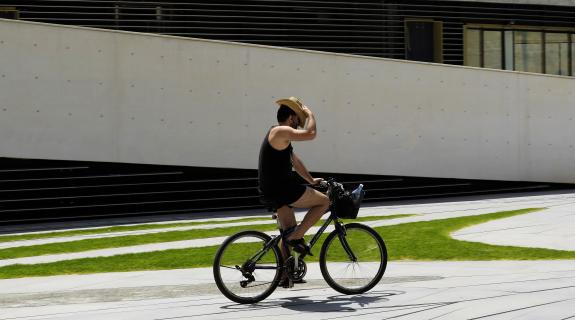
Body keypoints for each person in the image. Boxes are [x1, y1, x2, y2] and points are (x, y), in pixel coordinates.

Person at [258, 97, 330, 276]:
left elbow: (295, 162)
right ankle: (296, 238)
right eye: (298, 119)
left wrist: (311, 180)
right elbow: (311, 134)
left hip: (274, 190)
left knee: (287, 232)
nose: (299, 123)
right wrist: (311, 114)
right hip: (282, 189)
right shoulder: (281, 131)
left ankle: (284, 275)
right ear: (291, 118)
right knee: (324, 202)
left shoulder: (280, 136)